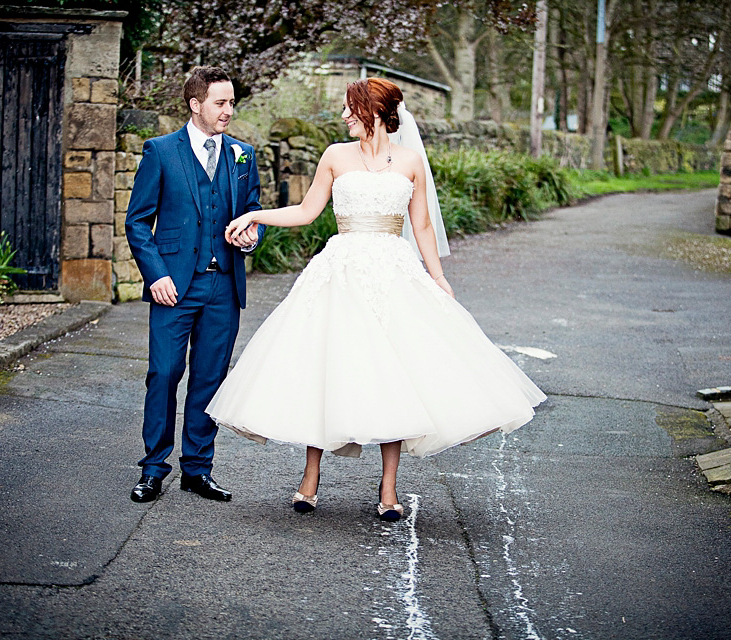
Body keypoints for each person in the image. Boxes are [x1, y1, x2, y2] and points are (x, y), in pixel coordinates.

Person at [206, 77, 545, 521]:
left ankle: (388, 489)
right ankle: (310, 477)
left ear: (372, 111)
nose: (344, 116)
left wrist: (438, 277)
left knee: (394, 375)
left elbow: (421, 225)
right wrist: (253, 213)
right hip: (339, 271)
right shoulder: (334, 156)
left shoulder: (409, 161)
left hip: (392, 273)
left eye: (351, 108)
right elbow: (307, 212)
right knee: (325, 369)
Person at [125, 66, 263, 503]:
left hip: (223, 286)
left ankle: (197, 470)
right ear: (195, 104)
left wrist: (252, 234)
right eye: (220, 102)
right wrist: (156, 274)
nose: (229, 110)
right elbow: (137, 222)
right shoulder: (161, 152)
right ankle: (153, 469)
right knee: (164, 374)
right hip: (174, 285)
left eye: (232, 102)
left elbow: (253, 210)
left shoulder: (243, 155)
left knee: (210, 379)